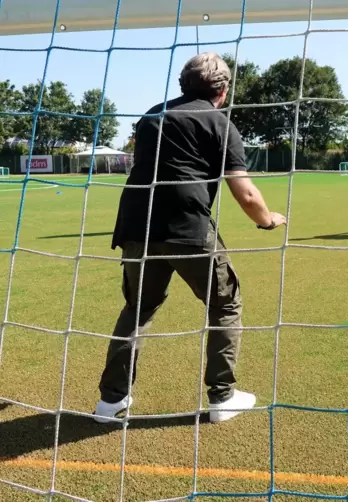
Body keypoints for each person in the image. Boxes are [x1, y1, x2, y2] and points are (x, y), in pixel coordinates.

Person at [93, 52, 287, 424]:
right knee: (226, 304)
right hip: (188, 228)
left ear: (183, 83)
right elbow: (245, 193)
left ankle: (110, 403)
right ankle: (222, 398)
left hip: (136, 224)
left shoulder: (151, 116)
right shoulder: (220, 123)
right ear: (223, 89)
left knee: (138, 309)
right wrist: (268, 220)